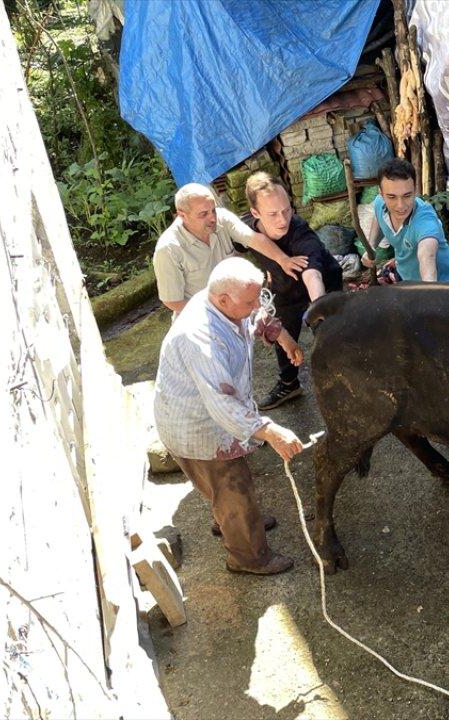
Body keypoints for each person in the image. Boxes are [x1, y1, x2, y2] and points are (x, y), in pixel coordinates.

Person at [153, 257, 304, 575]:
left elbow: (257, 314)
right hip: (198, 427)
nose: (255, 306)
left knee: (224, 489)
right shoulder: (200, 337)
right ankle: (248, 556)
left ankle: (234, 519)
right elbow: (221, 404)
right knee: (233, 485)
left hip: (209, 417)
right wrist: (271, 431)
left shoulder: (226, 301)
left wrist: (282, 337)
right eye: (249, 301)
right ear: (222, 300)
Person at [239, 172, 343, 410]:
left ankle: (343, 375)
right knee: (283, 336)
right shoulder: (245, 230)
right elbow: (233, 247)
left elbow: (312, 274)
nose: (282, 220)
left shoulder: (300, 232)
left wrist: (320, 307)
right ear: (255, 214)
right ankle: (289, 384)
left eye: (287, 210)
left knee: (331, 332)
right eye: (272, 214)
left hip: (323, 282)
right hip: (283, 288)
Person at [152, 182, 308, 315]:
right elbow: (172, 301)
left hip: (236, 305)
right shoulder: (168, 249)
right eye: (203, 214)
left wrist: (283, 259)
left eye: (213, 209)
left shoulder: (222, 218)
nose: (213, 218)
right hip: (200, 317)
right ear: (182, 216)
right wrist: (215, 315)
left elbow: (253, 238)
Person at [363, 158, 449, 282]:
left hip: (442, 286)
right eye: (392, 197)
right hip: (406, 275)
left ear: (415, 190)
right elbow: (379, 218)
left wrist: (429, 293)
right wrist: (371, 245)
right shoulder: (379, 204)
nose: (400, 205)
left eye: (407, 195)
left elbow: (427, 257)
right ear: (381, 194)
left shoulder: (426, 223)